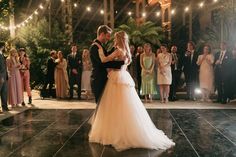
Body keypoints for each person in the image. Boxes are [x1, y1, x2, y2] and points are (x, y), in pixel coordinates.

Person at [89, 31, 175, 151]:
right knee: (126, 106)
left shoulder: (118, 50)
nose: (113, 39)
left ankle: (115, 133)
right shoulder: (127, 51)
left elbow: (104, 60)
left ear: (118, 39)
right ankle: (127, 130)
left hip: (116, 78)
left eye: (114, 38)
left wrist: (99, 49)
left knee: (114, 106)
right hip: (124, 76)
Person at [89, 25, 125, 104]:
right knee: (100, 105)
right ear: (102, 34)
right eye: (108, 36)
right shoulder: (94, 47)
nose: (109, 39)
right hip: (98, 79)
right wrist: (120, 63)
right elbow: (102, 64)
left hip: (104, 78)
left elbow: (107, 57)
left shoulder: (101, 46)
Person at [0, 42, 9, 112]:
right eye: (5, 46)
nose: (5, 47)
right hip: (1, 76)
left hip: (5, 76)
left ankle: (5, 107)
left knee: (4, 92)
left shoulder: (2, 54)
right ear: (2, 46)